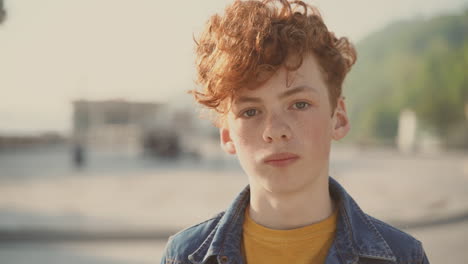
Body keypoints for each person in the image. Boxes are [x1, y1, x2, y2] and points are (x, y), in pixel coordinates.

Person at [161, 0, 430, 263]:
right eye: (250, 111)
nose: (276, 131)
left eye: (299, 104)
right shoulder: (183, 256)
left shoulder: (404, 257)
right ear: (227, 134)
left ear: (338, 119)